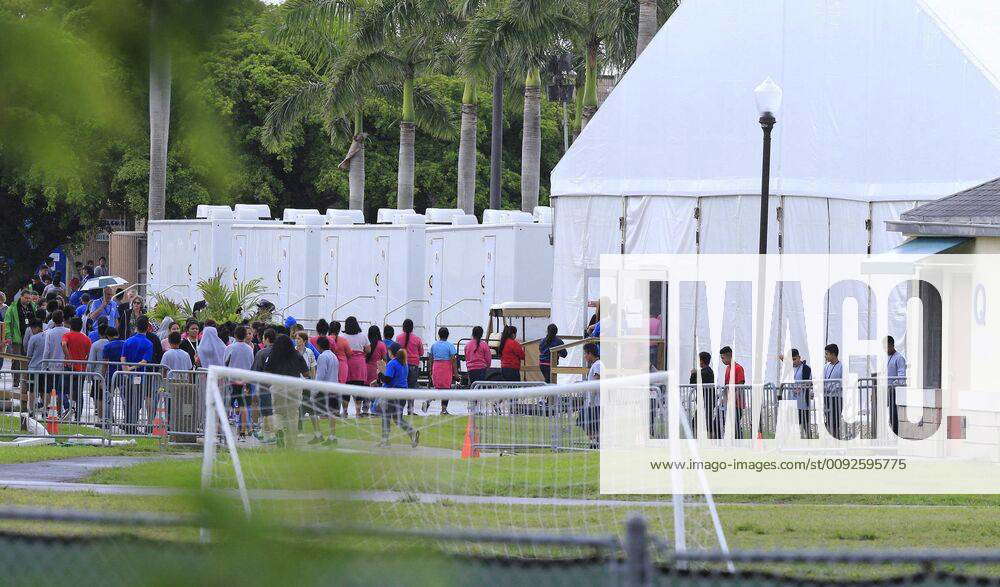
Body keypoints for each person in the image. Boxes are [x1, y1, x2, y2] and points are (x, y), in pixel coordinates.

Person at [262, 334, 311, 448]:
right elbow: (306, 373)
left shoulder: (272, 355)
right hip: (294, 387)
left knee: (277, 413)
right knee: (292, 416)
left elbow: (267, 373)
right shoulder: (297, 355)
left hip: (277, 386)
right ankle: (290, 445)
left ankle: (278, 430)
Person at [378, 348, 419, 448]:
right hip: (402, 394)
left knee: (386, 416)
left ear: (392, 352)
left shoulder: (392, 363)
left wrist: (379, 373)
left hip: (392, 394)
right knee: (397, 419)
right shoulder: (404, 363)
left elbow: (388, 379)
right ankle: (412, 432)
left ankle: (385, 440)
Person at [120, 316, 154, 432]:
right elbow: (144, 362)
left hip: (127, 376)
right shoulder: (148, 344)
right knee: (138, 401)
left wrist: (126, 370)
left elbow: (122, 358)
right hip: (140, 376)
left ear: (136, 327)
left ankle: (129, 423)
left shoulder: (128, 341)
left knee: (128, 400)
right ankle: (131, 425)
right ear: (148, 328)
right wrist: (132, 368)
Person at [225, 325, 255, 439]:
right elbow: (251, 363)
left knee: (230, 404)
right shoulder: (249, 349)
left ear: (235, 335)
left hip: (232, 381)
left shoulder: (230, 348)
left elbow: (225, 362)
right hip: (245, 381)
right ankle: (242, 431)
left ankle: (226, 429)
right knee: (244, 406)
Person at [309, 336, 340, 445]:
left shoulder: (322, 357)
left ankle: (318, 434)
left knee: (311, 410)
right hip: (334, 387)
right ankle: (332, 436)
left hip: (324, 389)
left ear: (318, 346)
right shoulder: (334, 356)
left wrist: (314, 392)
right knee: (332, 413)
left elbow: (320, 376)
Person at [61, 317, 92, 421]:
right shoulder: (87, 339)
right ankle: (78, 417)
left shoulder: (67, 335)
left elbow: (64, 344)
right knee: (79, 393)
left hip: (69, 367)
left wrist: (68, 357)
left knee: (62, 390)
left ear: (70, 326)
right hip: (81, 369)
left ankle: (68, 407)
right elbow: (88, 354)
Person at [4, 288, 37, 386]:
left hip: (30, 337)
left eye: (29, 299)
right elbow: (7, 322)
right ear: (21, 297)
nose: (27, 300)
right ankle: (16, 380)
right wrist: (8, 336)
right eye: (26, 298)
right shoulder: (12, 308)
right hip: (17, 337)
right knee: (17, 360)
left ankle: (26, 381)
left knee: (28, 359)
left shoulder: (32, 306)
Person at [778, 349, 813, 438]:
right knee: (789, 424)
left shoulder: (806, 368)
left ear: (799, 357)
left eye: (794, 359)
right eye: (791, 360)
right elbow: (783, 381)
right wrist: (780, 393)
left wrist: (801, 387)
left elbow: (810, 382)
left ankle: (810, 442)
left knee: (806, 424)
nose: (793, 362)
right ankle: (789, 443)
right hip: (791, 402)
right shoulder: (789, 368)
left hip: (803, 403)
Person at [251, 328, 277, 443]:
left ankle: (270, 434)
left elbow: (254, 371)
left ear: (266, 339)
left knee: (266, 410)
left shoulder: (261, 353)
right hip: (279, 386)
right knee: (274, 410)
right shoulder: (280, 353)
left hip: (264, 385)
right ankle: (265, 431)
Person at [40, 310, 70, 411]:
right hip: (64, 364)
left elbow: (46, 350)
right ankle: (60, 409)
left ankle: (46, 408)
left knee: (49, 389)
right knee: (61, 389)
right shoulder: (68, 331)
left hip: (52, 365)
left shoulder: (49, 333)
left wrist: (44, 366)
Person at [394, 318, 424, 415]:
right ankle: (410, 410)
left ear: (403, 327)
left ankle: (400, 410)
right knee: (412, 387)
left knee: (402, 386)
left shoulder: (398, 338)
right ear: (412, 328)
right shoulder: (417, 339)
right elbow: (421, 352)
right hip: (413, 365)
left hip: (402, 364)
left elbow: (396, 351)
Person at [426, 327, 458, 415]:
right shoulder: (450, 345)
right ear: (448, 335)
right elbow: (453, 360)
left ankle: (429, 400)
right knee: (446, 389)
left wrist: (430, 370)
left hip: (436, 367)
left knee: (437, 388)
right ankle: (443, 409)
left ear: (438, 335)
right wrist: (456, 374)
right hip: (446, 368)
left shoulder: (434, 345)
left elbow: (430, 358)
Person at [719, 346, 748, 439]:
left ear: (729, 355)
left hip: (737, 403)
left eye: (723, 358)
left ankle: (740, 443)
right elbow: (726, 386)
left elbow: (740, 386)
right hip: (728, 402)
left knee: (735, 424)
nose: (722, 360)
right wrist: (724, 399)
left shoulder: (738, 368)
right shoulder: (727, 368)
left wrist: (733, 399)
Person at [576, 342, 602, 448]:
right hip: (593, 401)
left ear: (590, 353)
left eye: (585, 354)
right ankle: (596, 441)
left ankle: (597, 441)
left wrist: (591, 400)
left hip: (596, 402)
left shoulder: (598, 364)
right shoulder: (595, 365)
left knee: (584, 420)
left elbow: (596, 381)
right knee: (588, 421)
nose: (584, 356)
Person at [23, 320, 45, 421]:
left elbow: (29, 354)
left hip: (33, 368)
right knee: (44, 390)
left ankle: (31, 410)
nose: (31, 330)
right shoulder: (47, 337)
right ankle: (45, 409)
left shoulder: (33, 338)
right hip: (44, 368)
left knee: (32, 390)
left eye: (32, 328)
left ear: (37, 328)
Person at [364, 325, 388, 416]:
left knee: (366, 389)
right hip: (376, 370)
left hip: (366, 369)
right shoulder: (381, 345)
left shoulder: (367, 344)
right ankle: (374, 408)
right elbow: (384, 359)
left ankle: (365, 409)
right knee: (376, 390)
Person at [885, 335, 906, 435]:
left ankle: (895, 435)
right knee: (887, 415)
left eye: (887, 347)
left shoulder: (899, 358)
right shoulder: (885, 357)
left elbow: (901, 376)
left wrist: (893, 385)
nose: (885, 349)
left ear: (892, 345)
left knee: (894, 415)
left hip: (894, 390)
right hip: (886, 390)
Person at [329, 320, 352, 415]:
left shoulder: (327, 339)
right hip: (342, 365)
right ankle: (337, 410)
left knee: (330, 387)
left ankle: (329, 409)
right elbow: (349, 353)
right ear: (339, 330)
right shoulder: (343, 340)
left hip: (330, 364)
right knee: (340, 387)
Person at [823, 343, 844, 440]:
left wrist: (835, 388)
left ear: (833, 354)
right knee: (827, 419)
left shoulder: (842, 366)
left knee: (835, 421)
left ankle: (837, 441)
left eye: (827, 354)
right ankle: (829, 441)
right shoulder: (826, 366)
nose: (825, 356)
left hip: (836, 397)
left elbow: (844, 383)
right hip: (826, 397)